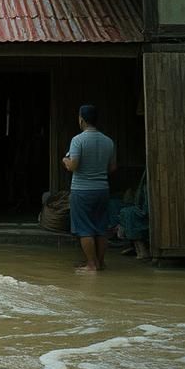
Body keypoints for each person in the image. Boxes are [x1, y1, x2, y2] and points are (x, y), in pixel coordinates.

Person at [63, 103, 116, 273]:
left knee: (84, 229)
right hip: (102, 189)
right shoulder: (108, 141)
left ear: (81, 120)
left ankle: (91, 265)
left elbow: (73, 166)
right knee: (100, 228)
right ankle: (100, 263)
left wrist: (65, 160)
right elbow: (112, 167)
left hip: (82, 190)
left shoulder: (78, 140)